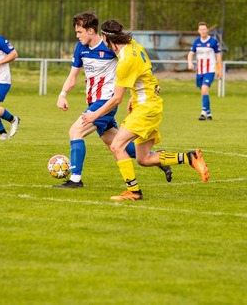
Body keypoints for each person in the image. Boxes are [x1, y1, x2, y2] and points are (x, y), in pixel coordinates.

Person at [82, 19, 209, 201]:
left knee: (117, 146)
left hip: (147, 108)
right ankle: (190, 158)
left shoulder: (125, 61)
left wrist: (94, 114)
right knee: (143, 159)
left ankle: (133, 191)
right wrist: (135, 96)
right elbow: (146, 72)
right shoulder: (134, 45)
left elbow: (116, 98)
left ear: (106, 38)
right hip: (151, 104)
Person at [55, 12, 172, 189]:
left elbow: (132, 66)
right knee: (118, 143)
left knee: (75, 131)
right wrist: (62, 95)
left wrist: (137, 92)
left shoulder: (110, 47)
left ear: (91, 31)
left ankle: (76, 180)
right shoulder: (80, 48)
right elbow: (73, 76)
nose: (77, 36)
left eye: (80, 32)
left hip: (106, 102)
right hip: (93, 102)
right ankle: (158, 158)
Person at [187, 22, 223, 121]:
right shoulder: (196, 42)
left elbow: (218, 56)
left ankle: (203, 113)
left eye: (204, 29)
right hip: (199, 71)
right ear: (198, 31)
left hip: (210, 70)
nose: (203, 31)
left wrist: (219, 70)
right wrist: (189, 62)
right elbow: (190, 53)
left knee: (204, 89)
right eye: (201, 29)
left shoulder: (213, 42)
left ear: (207, 30)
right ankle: (209, 113)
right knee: (204, 92)